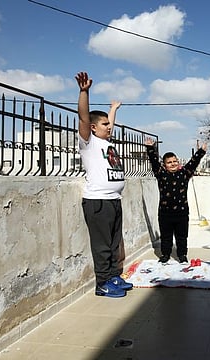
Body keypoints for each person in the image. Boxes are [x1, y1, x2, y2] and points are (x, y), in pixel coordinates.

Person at [76, 71, 133, 298]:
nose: (109, 127)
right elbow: (83, 118)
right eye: (105, 124)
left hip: (114, 201)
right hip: (98, 202)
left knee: (113, 245)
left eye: (110, 124)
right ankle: (102, 284)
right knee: (101, 247)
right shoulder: (88, 143)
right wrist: (84, 92)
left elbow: (110, 124)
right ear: (93, 127)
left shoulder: (105, 142)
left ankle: (113, 277)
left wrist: (113, 110)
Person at [144, 138, 207, 264]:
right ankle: (165, 255)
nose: (173, 164)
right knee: (166, 237)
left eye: (175, 161)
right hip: (165, 214)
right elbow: (154, 162)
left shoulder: (184, 173)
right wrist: (150, 148)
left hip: (182, 213)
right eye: (169, 162)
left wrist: (201, 151)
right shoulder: (161, 174)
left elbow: (192, 163)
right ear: (164, 165)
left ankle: (182, 255)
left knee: (182, 237)